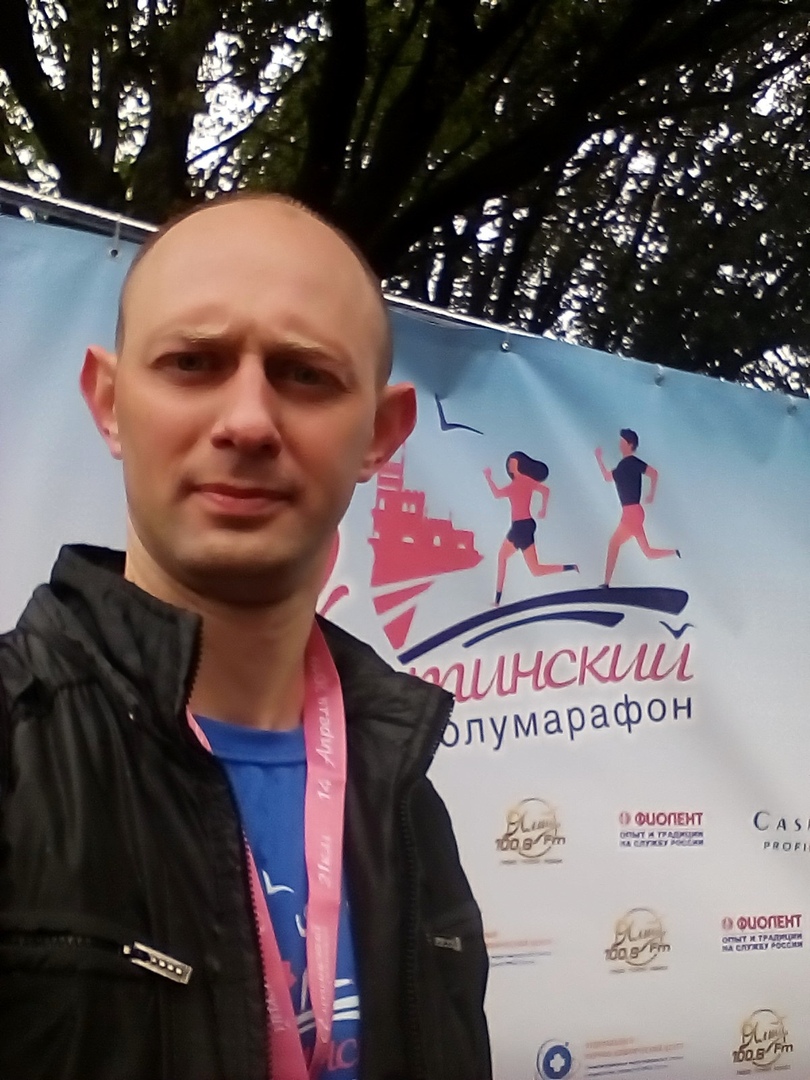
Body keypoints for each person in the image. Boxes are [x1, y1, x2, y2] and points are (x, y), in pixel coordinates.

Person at [0, 195, 491, 1080]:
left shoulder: (405, 799)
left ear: (380, 434)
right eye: (193, 362)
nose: (250, 422)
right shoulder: (14, 751)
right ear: (109, 403)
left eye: (305, 374)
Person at [484, 451, 578, 605]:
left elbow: (497, 493)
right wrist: (543, 509)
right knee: (535, 569)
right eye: (510, 463)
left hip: (521, 527)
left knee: (503, 558)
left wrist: (488, 477)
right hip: (525, 526)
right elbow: (544, 491)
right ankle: (570, 567)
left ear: (519, 465)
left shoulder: (522, 482)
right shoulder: (520, 483)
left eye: (513, 462)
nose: (510, 465)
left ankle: (497, 600)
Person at [595, 428, 680, 587]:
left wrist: (651, 494)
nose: (620, 444)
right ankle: (675, 552)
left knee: (613, 544)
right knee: (648, 552)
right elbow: (607, 477)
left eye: (622, 442)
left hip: (632, 513)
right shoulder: (621, 467)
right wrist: (599, 459)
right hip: (633, 513)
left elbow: (654, 473)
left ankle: (606, 584)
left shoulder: (633, 463)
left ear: (630, 444)